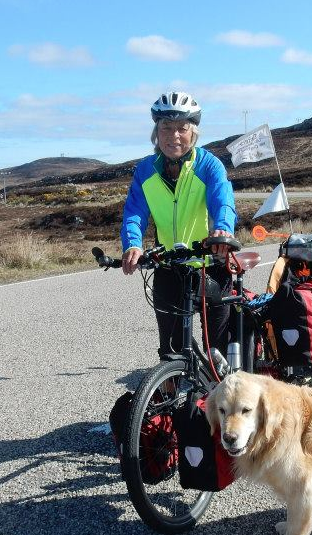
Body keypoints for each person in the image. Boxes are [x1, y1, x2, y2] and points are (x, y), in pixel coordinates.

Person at [120, 90, 237, 359]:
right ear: (156, 133)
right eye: (166, 128)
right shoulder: (146, 170)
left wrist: (222, 228)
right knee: (170, 350)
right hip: (169, 265)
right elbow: (134, 212)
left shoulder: (209, 165)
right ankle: (170, 394)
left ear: (192, 133)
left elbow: (223, 201)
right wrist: (133, 245)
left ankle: (216, 396)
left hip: (210, 263)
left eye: (181, 128)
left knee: (215, 351)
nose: (174, 136)